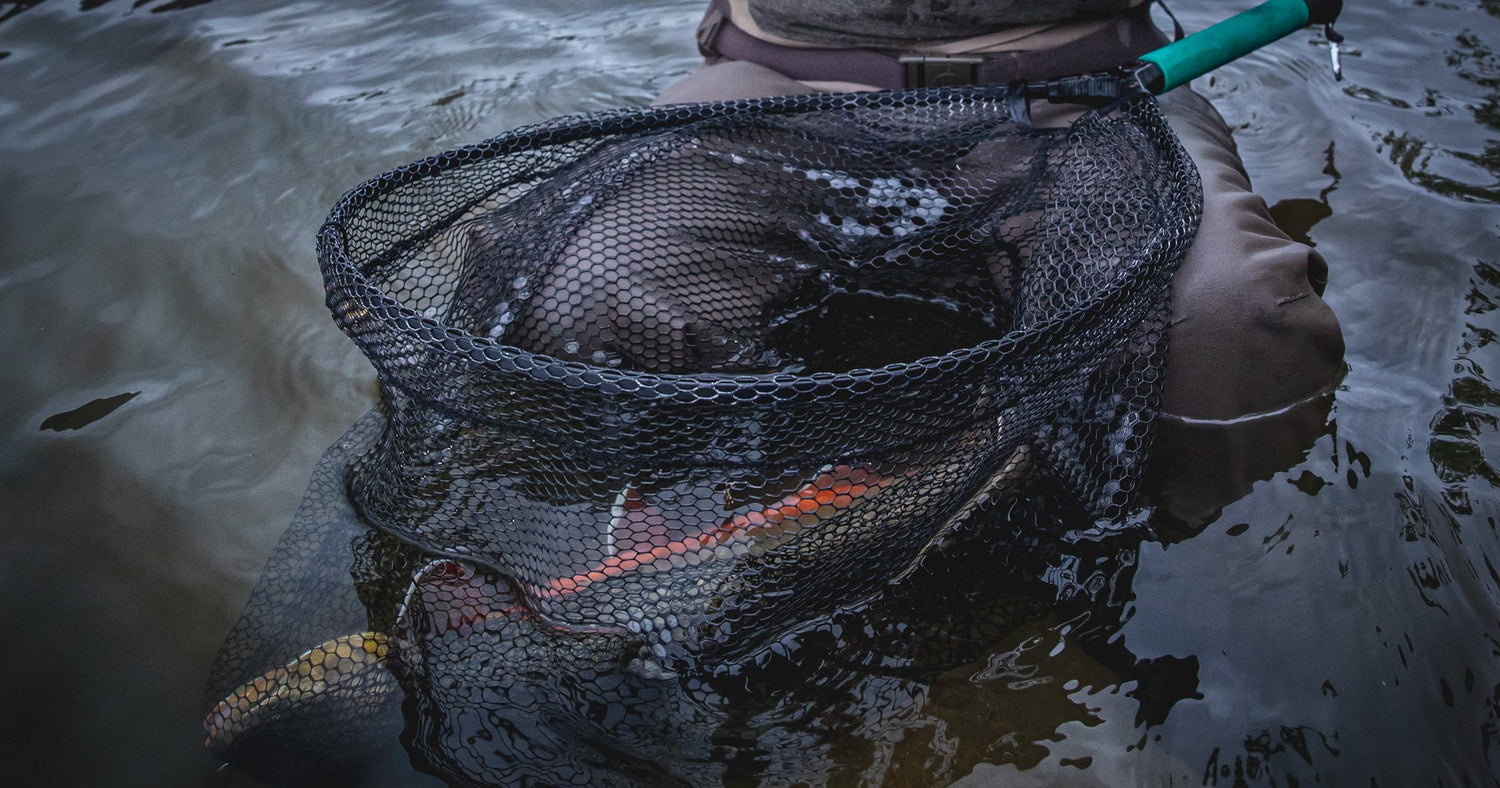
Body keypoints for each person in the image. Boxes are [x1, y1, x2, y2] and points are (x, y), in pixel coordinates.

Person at [653, 0, 1345, 424]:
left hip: (1093, 90)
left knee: (1235, 318)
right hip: (775, 84)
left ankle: (1193, 570)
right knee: (601, 298)